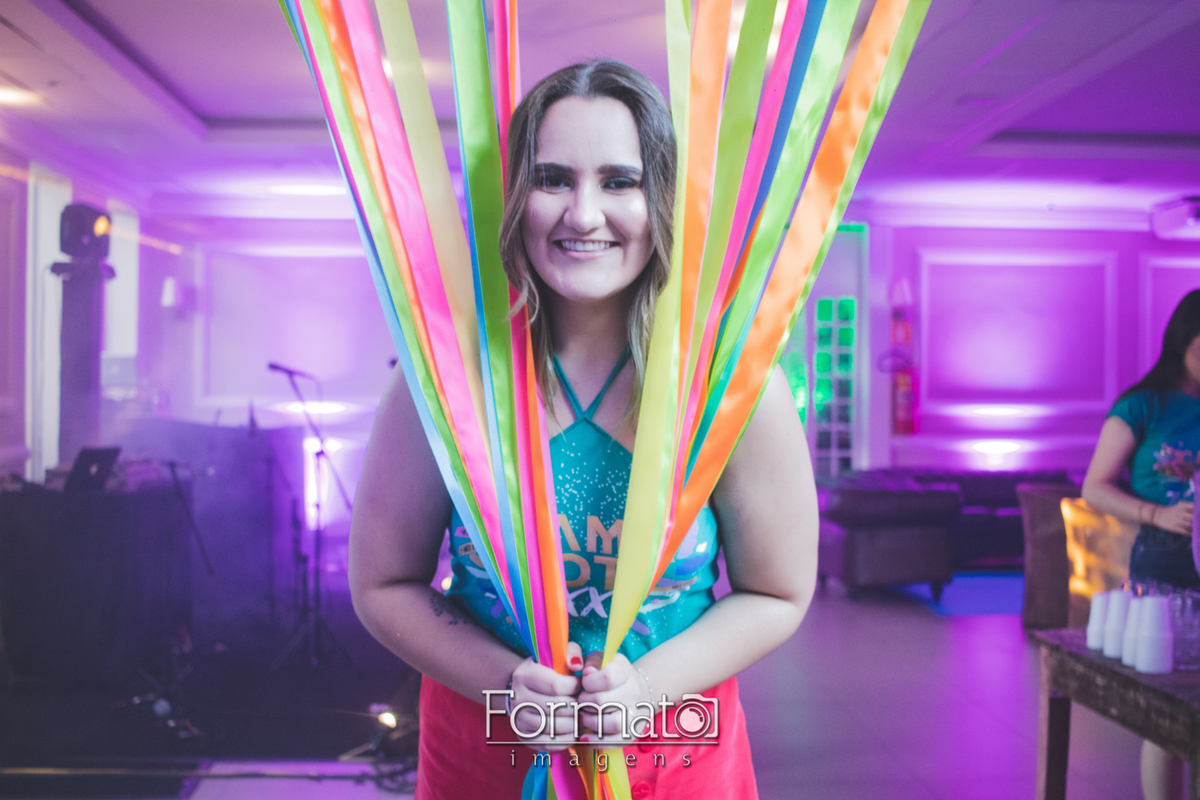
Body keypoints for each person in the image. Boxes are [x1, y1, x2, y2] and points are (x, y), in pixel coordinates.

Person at [349, 60, 818, 799]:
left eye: (620, 181)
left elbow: (777, 594)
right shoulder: (443, 383)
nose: (584, 214)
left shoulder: (731, 386)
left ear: (661, 199)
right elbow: (383, 583)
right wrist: (505, 683)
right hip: (485, 753)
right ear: (515, 197)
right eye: (553, 179)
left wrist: (645, 691)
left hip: (675, 760)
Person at [1082, 288, 1200, 800]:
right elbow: (1095, 487)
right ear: (1184, 340)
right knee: (1166, 705)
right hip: (1165, 557)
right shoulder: (1143, 405)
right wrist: (1158, 514)